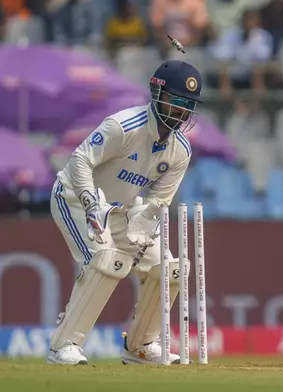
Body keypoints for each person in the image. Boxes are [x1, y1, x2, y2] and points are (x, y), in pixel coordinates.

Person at [47, 59, 201, 365]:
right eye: (176, 102)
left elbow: (159, 198)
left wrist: (143, 220)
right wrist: (91, 203)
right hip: (74, 198)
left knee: (171, 268)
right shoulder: (123, 126)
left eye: (188, 106)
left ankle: (141, 347)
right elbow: (80, 160)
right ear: (157, 93)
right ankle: (63, 346)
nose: (181, 112)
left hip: (123, 210)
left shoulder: (181, 149)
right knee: (107, 260)